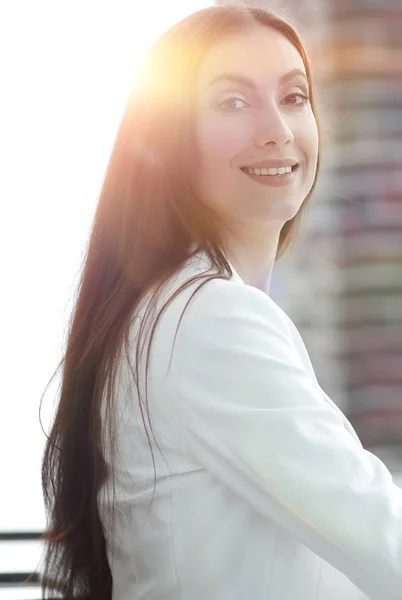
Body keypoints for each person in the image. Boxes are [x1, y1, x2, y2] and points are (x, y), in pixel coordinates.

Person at [39, 5, 402, 600]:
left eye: (294, 96)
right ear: (168, 139)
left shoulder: (168, 308)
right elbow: (377, 531)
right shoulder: (212, 319)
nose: (278, 131)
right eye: (233, 102)